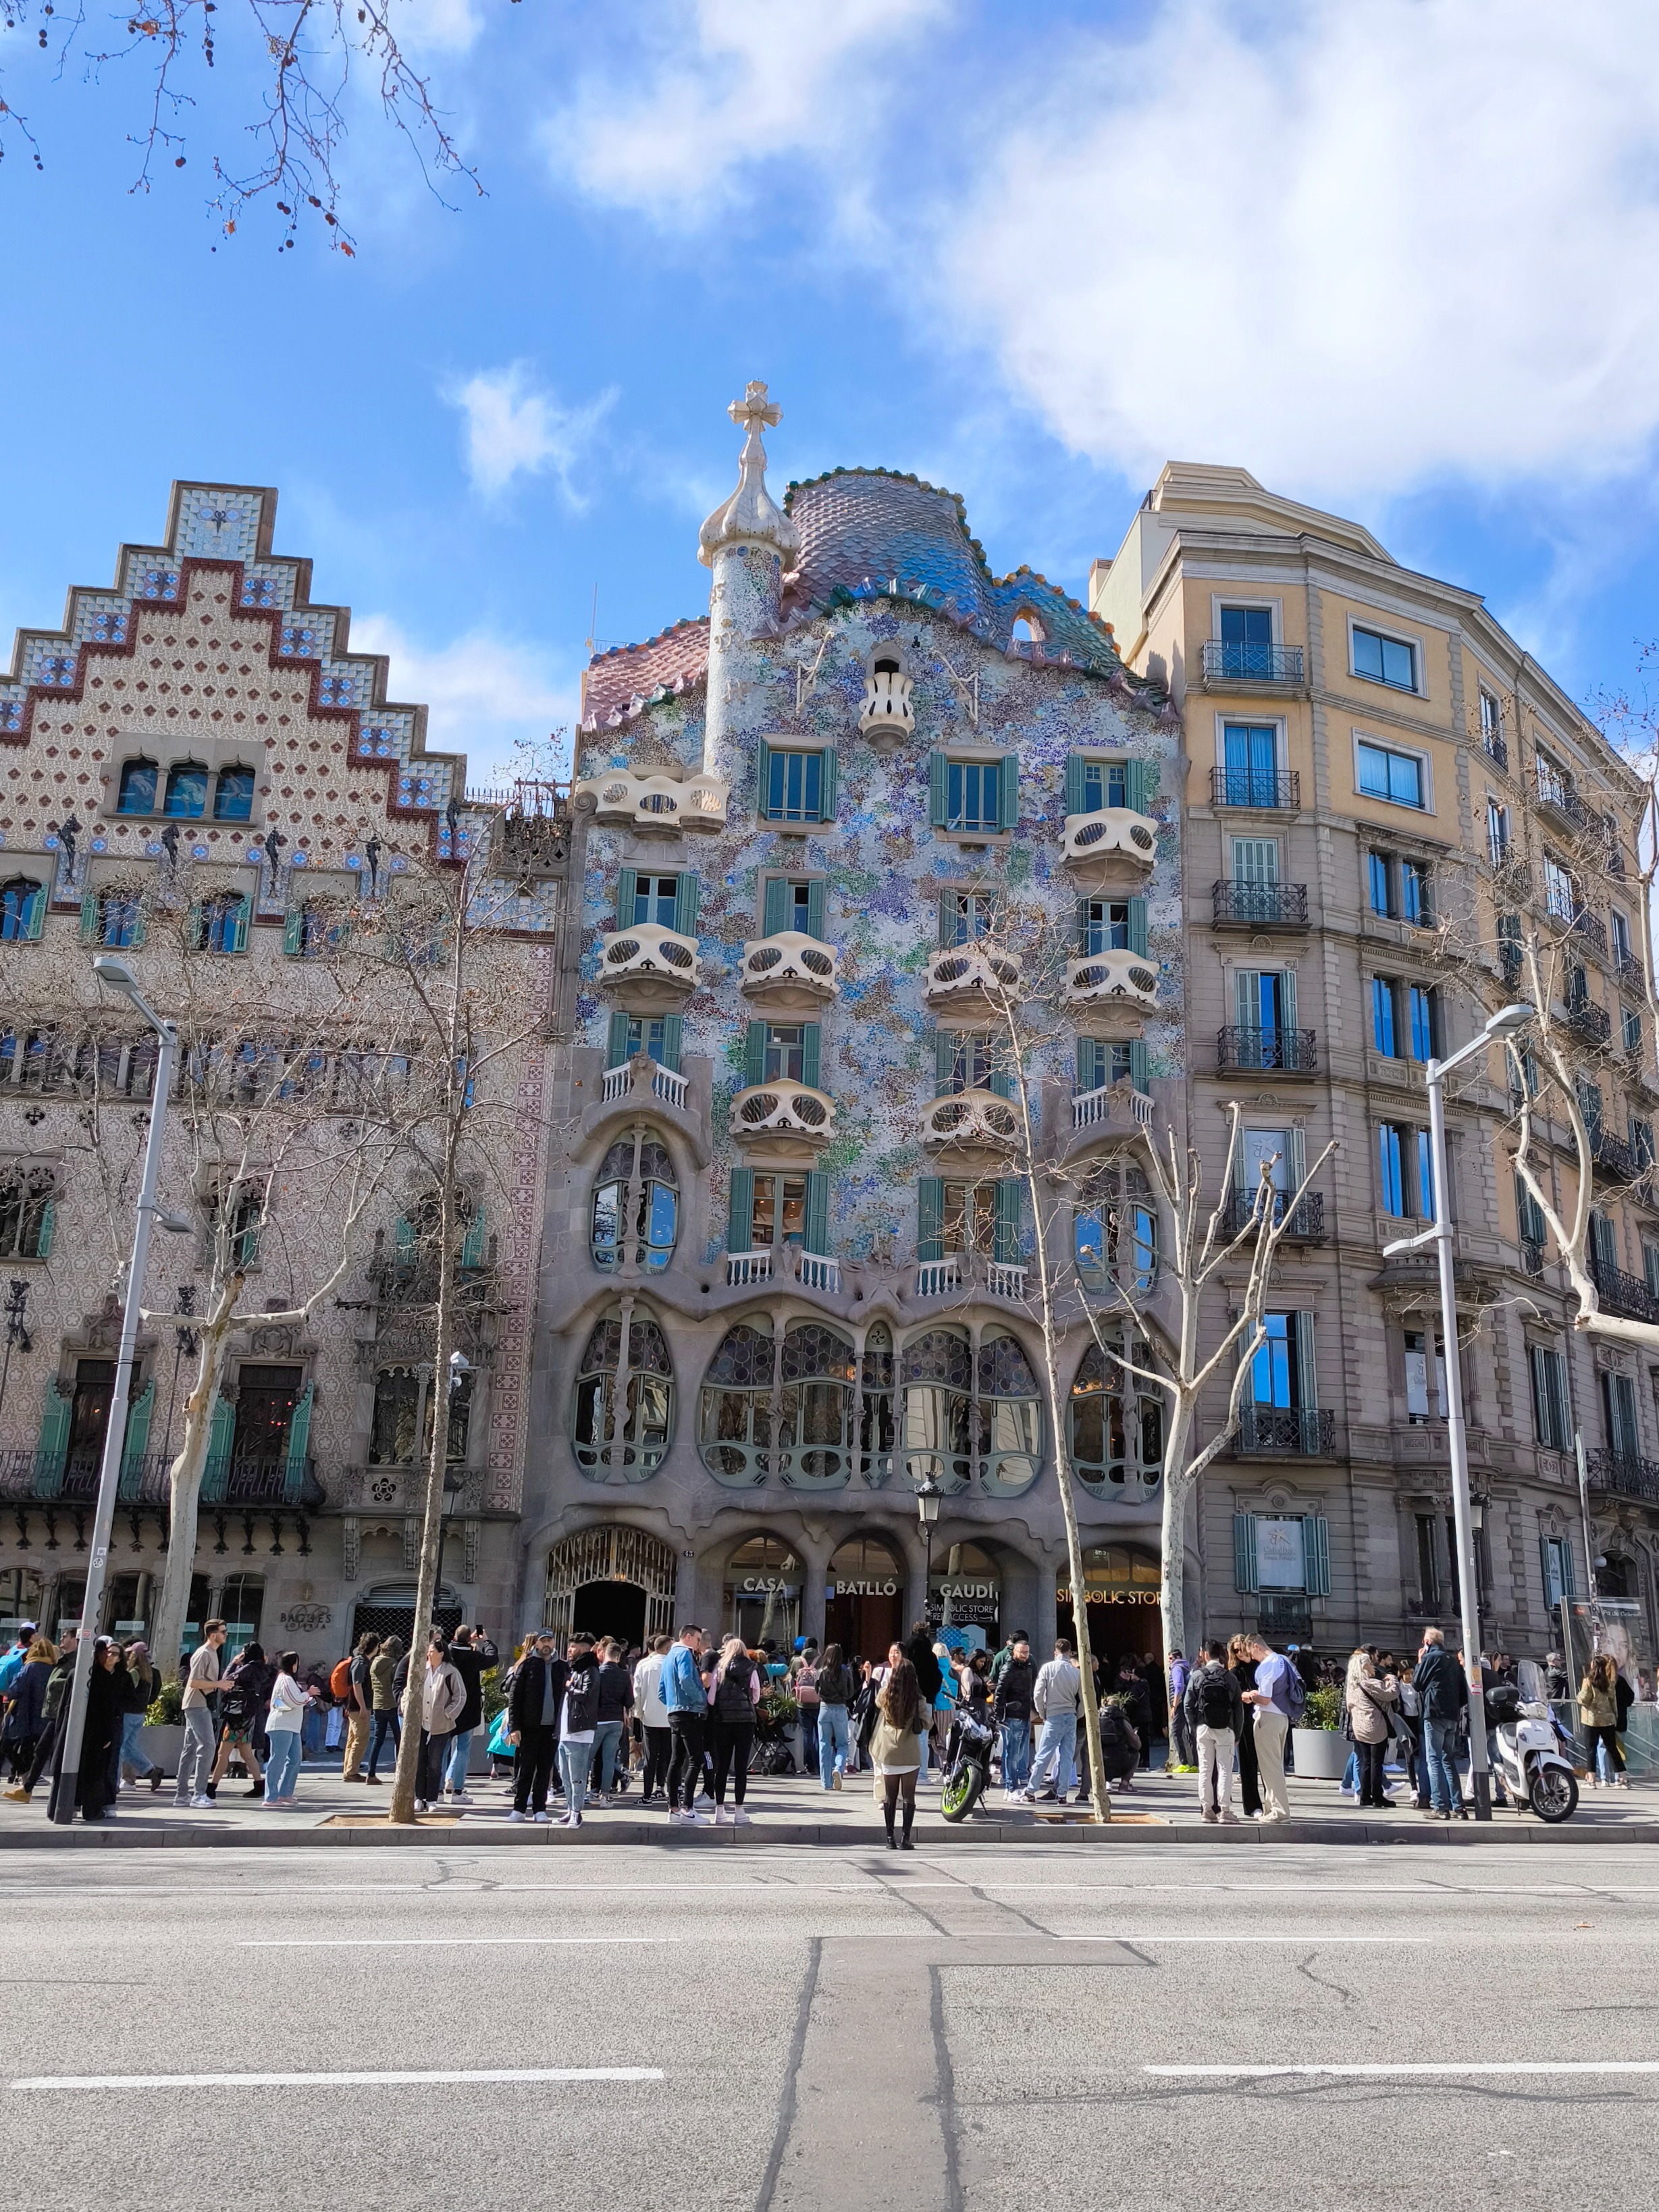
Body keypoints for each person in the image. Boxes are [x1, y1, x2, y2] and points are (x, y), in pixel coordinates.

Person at [5, 1632, 75, 1803]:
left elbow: (16, 1689)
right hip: (50, 1714)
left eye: (66, 1636)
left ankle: (31, 1786)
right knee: (41, 1751)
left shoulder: (38, 1666)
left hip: (49, 1714)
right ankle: (28, 1787)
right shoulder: (57, 1664)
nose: (61, 1639)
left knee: (37, 1751)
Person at [1184, 1638, 1244, 1823]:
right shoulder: (1230, 1677)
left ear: (1205, 1654)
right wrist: (1237, 1733)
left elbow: (1187, 1705)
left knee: (1205, 1770)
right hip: (1225, 1729)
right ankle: (1225, 1811)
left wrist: (1194, 1727)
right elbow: (1238, 1708)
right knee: (1225, 1770)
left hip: (1203, 1728)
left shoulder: (1197, 1675)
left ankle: (1207, 1810)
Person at [870, 1656, 927, 1848]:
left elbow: (877, 1703)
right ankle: (905, 1839)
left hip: (888, 1752)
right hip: (910, 1752)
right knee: (909, 1796)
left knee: (890, 1796)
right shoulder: (918, 1699)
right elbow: (928, 1723)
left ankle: (889, 1839)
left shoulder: (887, 1694)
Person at [506, 1631, 562, 1823]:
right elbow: (515, 1697)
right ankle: (519, 1808)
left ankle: (540, 1809)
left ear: (554, 1642)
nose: (546, 1644)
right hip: (530, 1727)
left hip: (552, 1728)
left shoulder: (561, 1667)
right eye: (543, 1641)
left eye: (549, 1640)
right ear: (537, 1644)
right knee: (526, 1769)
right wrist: (515, 1727)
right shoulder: (527, 1665)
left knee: (545, 1770)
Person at [1242, 1635, 1299, 1821]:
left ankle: (1279, 1811)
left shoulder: (1266, 1665)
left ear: (1257, 1646)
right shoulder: (1282, 1660)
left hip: (1268, 1717)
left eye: (1251, 1652)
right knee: (1274, 1766)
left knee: (1270, 1768)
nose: (1252, 1656)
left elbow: (1265, 1699)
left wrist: (1251, 1696)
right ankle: (1271, 1808)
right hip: (1282, 1717)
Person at [1414, 1626, 1467, 1820]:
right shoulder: (1453, 1662)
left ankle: (1441, 1807)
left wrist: (1420, 1662)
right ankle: (1459, 1807)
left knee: (1433, 1760)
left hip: (1434, 1713)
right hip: (1452, 1715)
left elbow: (1417, 1684)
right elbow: (1463, 1693)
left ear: (1428, 1643)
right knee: (1448, 1760)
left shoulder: (1430, 1658)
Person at [174, 1620, 228, 1810]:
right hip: (197, 1704)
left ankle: (182, 1795)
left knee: (190, 1749)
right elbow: (194, 1682)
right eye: (223, 1631)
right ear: (213, 1635)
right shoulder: (203, 1653)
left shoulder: (212, 1653)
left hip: (199, 1704)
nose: (226, 1634)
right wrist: (219, 1685)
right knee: (207, 1746)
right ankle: (199, 1794)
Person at [708, 1632, 761, 1825]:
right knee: (741, 1767)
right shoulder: (752, 1668)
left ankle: (719, 1811)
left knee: (721, 1766)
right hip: (746, 1722)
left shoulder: (719, 1668)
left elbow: (711, 1698)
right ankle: (740, 1811)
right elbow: (756, 1697)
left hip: (723, 1721)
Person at [1023, 1637, 1083, 1804]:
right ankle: (1062, 1794)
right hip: (1070, 1716)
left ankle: (1031, 1791)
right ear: (1070, 1652)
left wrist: (1043, 1713)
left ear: (1055, 1652)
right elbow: (1083, 1699)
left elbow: (1037, 1694)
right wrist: (1077, 1714)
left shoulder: (1048, 1668)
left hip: (1053, 1715)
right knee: (1066, 1757)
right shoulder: (1076, 1672)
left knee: (1043, 1755)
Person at [211, 1640, 273, 1798]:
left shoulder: (248, 1668)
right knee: (247, 1752)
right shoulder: (263, 1670)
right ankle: (259, 1784)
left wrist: (233, 1664)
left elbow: (227, 1681)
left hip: (237, 1715)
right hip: (249, 1715)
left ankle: (211, 1787)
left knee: (223, 1753)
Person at [662, 1623, 709, 1824]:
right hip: (689, 1711)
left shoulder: (668, 1656)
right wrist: (701, 1700)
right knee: (696, 1759)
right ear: (688, 1637)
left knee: (676, 1760)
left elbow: (661, 1690)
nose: (699, 1644)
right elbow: (686, 1678)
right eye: (698, 1639)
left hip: (674, 1711)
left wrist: (672, 1704)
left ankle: (673, 1809)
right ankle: (687, 1809)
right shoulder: (684, 1654)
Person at [415, 1632, 466, 1814]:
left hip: (441, 1726)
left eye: (431, 1651)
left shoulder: (450, 1672)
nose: (428, 1654)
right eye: (428, 1651)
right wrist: (408, 1709)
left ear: (441, 1653)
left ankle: (432, 1799)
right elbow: (409, 1691)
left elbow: (460, 1697)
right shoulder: (422, 1670)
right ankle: (418, 1797)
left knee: (435, 1763)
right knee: (420, 1762)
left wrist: (448, 1714)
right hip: (421, 1723)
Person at [77, 1637, 124, 1822]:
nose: (109, 1656)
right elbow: (106, 1709)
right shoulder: (102, 1677)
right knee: (96, 1771)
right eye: (107, 1652)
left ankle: (82, 1805)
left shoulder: (86, 1673)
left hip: (85, 1731)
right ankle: (92, 1809)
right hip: (97, 1733)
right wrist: (107, 1735)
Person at [556, 1633, 601, 1827]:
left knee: (577, 1775)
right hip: (567, 1730)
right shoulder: (575, 1670)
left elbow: (589, 1695)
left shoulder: (590, 1670)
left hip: (580, 1731)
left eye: (573, 1647)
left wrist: (569, 1689)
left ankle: (577, 1811)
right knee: (565, 1774)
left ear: (582, 1649)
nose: (569, 1651)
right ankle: (569, 1808)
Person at [1, 1634, 55, 1787]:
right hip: (44, 1716)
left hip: (24, 1715)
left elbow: (16, 1689)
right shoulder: (53, 1668)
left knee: (7, 1745)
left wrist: (6, 1692)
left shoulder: (30, 1667)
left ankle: (26, 1773)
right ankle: (29, 1777)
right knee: (35, 1749)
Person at [1346, 1650, 1398, 1809]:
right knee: (1377, 1762)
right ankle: (1377, 1796)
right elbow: (1391, 1694)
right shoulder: (1371, 1683)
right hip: (1375, 1726)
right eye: (1369, 1662)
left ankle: (1365, 1796)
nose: (1372, 1664)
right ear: (1363, 1666)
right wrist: (1393, 1680)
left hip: (1359, 1727)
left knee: (1366, 1762)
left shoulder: (1351, 1686)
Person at [441, 1626, 488, 1804]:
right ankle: (457, 1791)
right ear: (470, 1639)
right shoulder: (473, 1656)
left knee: (442, 1749)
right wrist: (485, 1641)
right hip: (468, 1709)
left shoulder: (448, 1653)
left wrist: (466, 1642)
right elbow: (493, 1658)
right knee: (463, 1748)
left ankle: (436, 1790)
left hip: (447, 1708)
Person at [262, 1652, 312, 1806]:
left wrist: (304, 1696)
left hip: (292, 1726)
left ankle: (285, 1793)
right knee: (278, 1760)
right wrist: (308, 1694)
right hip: (281, 1725)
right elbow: (294, 1700)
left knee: (295, 1759)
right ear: (293, 1664)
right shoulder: (285, 1679)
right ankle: (271, 1797)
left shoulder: (288, 1680)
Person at [591, 1637, 635, 1801]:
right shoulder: (624, 1676)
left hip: (598, 1720)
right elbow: (629, 1701)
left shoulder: (597, 1673)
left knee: (590, 1757)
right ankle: (606, 1795)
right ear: (618, 1656)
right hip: (616, 1720)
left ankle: (589, 1792)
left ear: (604, 1653)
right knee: (610, 1759)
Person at [115, 1640, 163, 1793]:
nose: (128, 1656)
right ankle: (150, 1770)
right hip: (140, 1714)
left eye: (130, 1653)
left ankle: (113, 1782)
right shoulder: (150, 1673)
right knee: (129, 1748)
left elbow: (126, 1691)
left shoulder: (134, 1672)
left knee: (119, 1748)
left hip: (128, 1713)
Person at [993, 1634, 1034, 1800]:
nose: (1024, 1655)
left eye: (1026, 1652)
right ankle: (1011, 1787)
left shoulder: (1028, 1667)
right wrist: (999, 1714)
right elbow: (999, 1692)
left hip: (1024, 1714)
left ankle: (1011, 1786)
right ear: (1014, 1652)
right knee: (1012, 1753)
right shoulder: (1009, 1668)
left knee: (1017, 1754)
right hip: (1012, 1715)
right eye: (1021, 1652)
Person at [632, 1634, 673, 1803]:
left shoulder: (643, 1664)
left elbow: (637, 1691)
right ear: (667, 1648)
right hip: (670, 1715)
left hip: (649, 1715)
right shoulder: (672, 1664)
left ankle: (647, 1793)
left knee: (650, 1755)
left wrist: (638, 1713)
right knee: (667, 1754)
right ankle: (662, 1787)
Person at [1226, 1635, 1262, 1817]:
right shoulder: (1234, 1672)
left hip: (1264, 1716)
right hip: (1246, 1719)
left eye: (1241, 1649)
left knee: (1267, 1763)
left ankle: (1272, 1802)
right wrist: (1246, 1695)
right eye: (1235, 1651)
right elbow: (1235, 1696)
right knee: (1247, 1764)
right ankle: (1253, 1806)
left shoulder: (1259, 1666)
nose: (1239, 1653)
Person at [1580, 1653, 1627, 1788]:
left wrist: (1579, 1696)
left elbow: (1583, 1699)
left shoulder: (1589, 1681)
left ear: (1593, 1665)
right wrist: (1615, 1717)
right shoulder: (1609, 1682)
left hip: (1592, 1720)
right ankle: (1623, 1779)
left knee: (1591, 1749)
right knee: (1612, 1749)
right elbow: (1614, 1702)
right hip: (1608, 1720)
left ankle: (1591, 1780)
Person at [814, 1642, 855, 1791]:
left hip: (824, 1708)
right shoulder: (845, 1670)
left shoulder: (821, 1672)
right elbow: (851, 1691)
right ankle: (838, 1767)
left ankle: (826, 1782)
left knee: (824, 1745)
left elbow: (817, 1690)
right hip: (840, 1708)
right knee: (842, 1744)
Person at [340, 1631, 378, 1783]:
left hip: (355, 1706)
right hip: (358, 1707)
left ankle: (349, 1770)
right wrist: (363, 1706)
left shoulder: (360, 1661)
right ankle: (351, 1772)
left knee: (353, 1739)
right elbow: (357, 1685)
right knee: (360, 1739)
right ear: (373, 1646)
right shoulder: (361, 1663)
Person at [365, 1634, 402, 1785]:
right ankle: (400, 1772)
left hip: (378, 1704)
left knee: (377, 1741)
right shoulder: (394, 1664)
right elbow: (396, 1684)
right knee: (400, 1740)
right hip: (392, 1705)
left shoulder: (375, 1662)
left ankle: (371, 1773)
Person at [791, 1646, 820, 1777]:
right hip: (818, 1702)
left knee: (807, 1735)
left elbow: (792, 1676)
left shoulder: (797, 1661)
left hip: (802, 1703)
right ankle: (820, 1765)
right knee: (819, 1735)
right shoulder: (821, 1660)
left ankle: (809, 1765)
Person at [1167, 1649, 1195, 1772]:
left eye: (1170, 1659)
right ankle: (1196, 1763)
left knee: (1176, 1732)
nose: (1169, 1662)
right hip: (1188, 1704)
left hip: (1179, 1704)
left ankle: (1184, 1763)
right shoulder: (1186, 1667)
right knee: (1190, 1733)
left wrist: (1174, 1706)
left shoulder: (1177, 1668)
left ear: (1177, 1658)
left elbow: (1179, 1687)